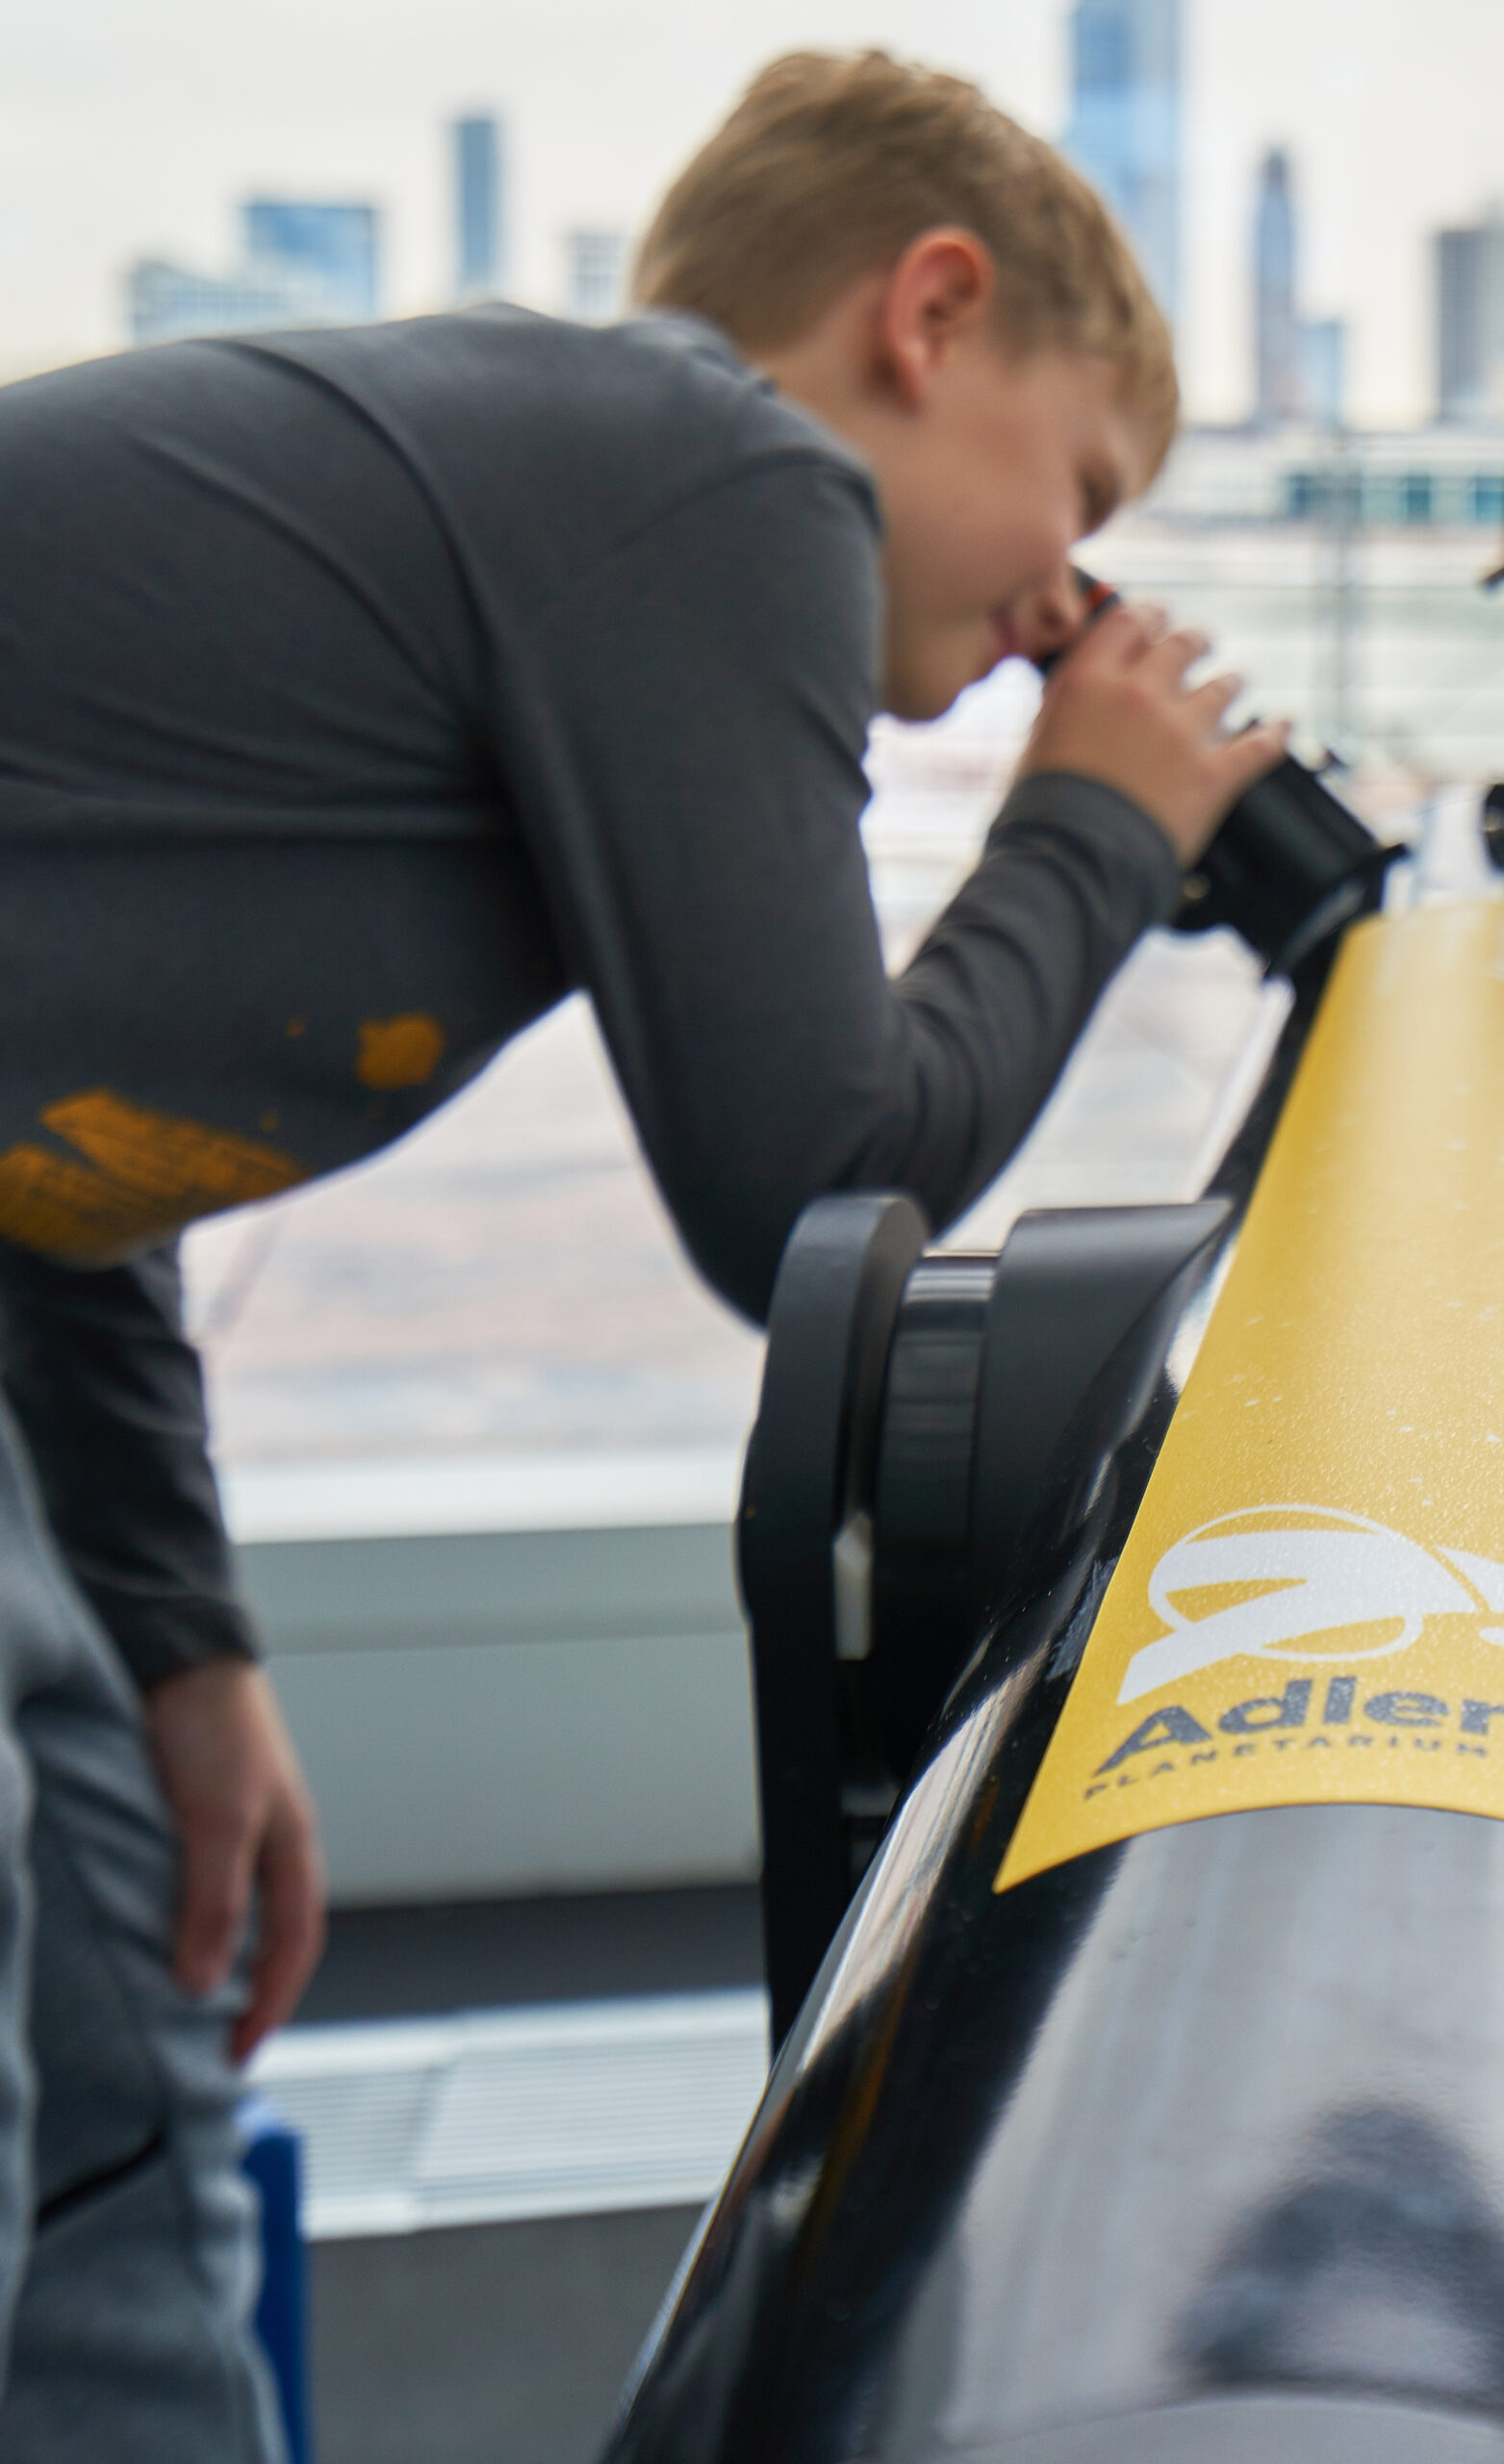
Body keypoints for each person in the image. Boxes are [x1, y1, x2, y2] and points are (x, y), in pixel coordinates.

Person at [0, 48, 1283, 2456]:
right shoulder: (714, 462)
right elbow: (816, 1191)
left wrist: (181, 1647)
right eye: (1081, 488)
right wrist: (1096, 828)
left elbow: (66, 1161)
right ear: (927, 309)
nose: (1054, 608)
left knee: (105, 2029)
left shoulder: (569, 498)